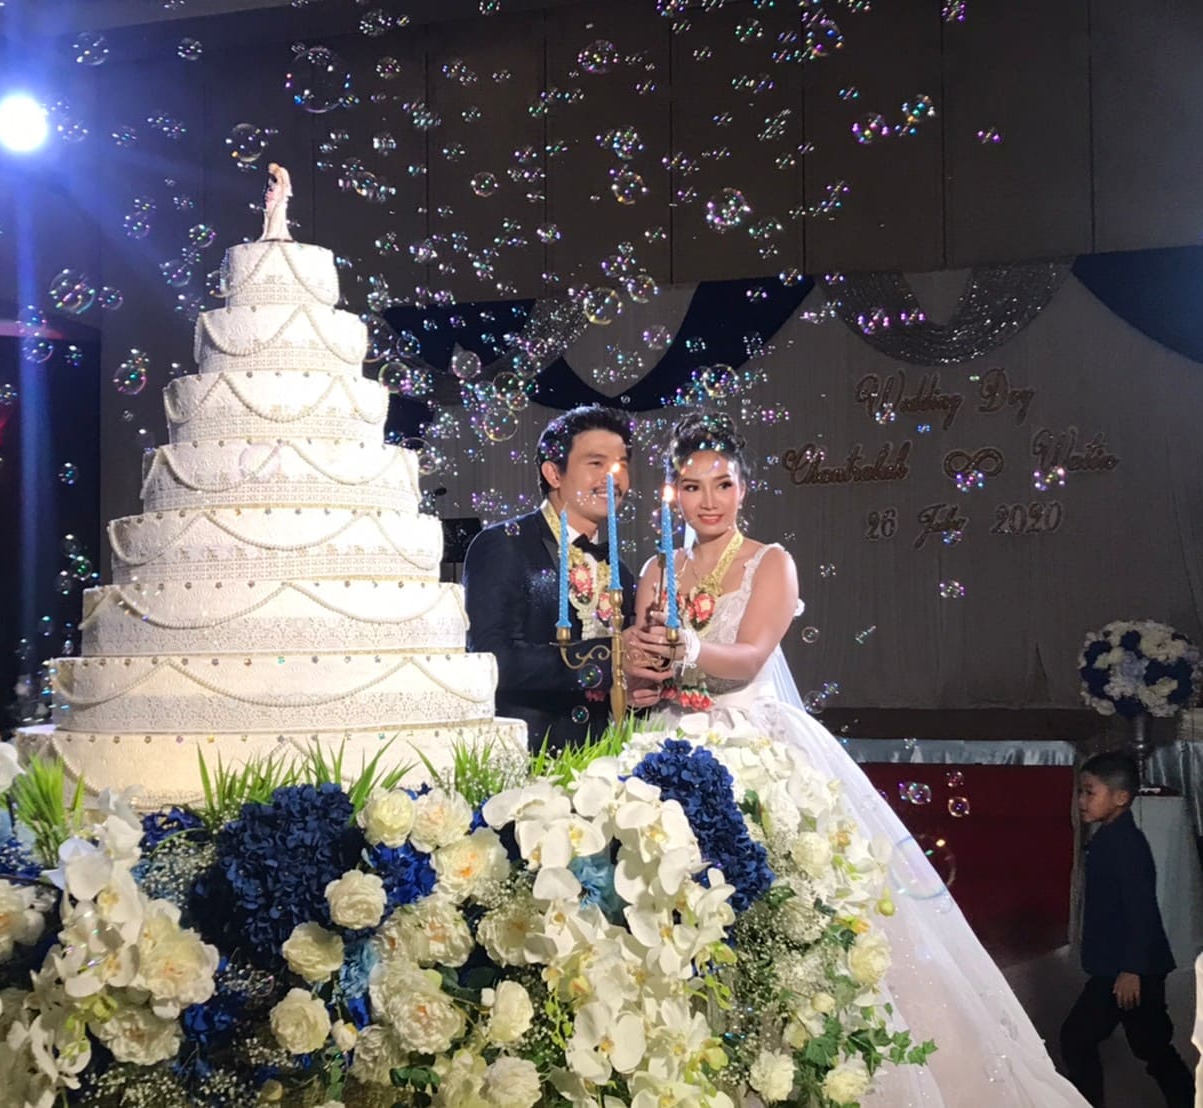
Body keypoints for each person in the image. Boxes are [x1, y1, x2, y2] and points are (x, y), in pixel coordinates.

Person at [624, 413, 1090, 1107]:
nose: (709, 500)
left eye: (723, 484)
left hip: (756, 746)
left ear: (745, 487)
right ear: (674, 493)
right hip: (673, 744)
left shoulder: (771, 562)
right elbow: (646, 673)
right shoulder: (658, 568)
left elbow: (750, 656)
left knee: (786, 910)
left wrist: (687, 648)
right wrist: (640, 675)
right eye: (692, 487)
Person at [463, 404, 636, 751]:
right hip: (527, 755)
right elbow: (491, 658)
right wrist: (611, 656)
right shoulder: (504, 544)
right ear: (554, 474)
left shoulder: (620, 571)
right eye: (596, 463)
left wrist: (641, 683)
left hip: (604, 756)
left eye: (621, 465)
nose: (613, 477)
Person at [1060, 752, 1193, 1107]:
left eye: (1090, 792)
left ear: (1120, 797)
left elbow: (1141, 910)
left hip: (1130, 970)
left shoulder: (1126, 845)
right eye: (1080, 792)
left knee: (1083, 1040)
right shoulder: (1109, 838)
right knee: (1148, 1046)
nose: (1082, 800)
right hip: (1120, 967)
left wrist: (1132, 969)